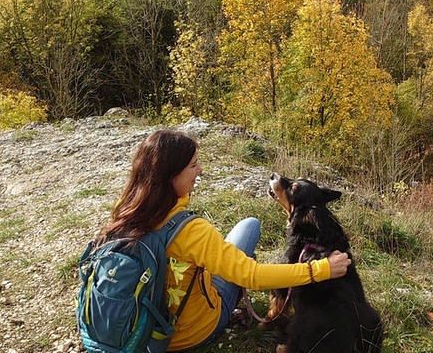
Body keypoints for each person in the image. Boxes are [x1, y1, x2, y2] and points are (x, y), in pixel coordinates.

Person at [93, 129, 351, 351]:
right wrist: (321, 269)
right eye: (193, 165)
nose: (200, 170)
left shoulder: (126, 208)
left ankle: (220, 262)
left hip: (141, 321)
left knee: (233, 241)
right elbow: (252, 275)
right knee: (249, 228)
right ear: (171, 177)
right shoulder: (192, 231)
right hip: (189, 332)